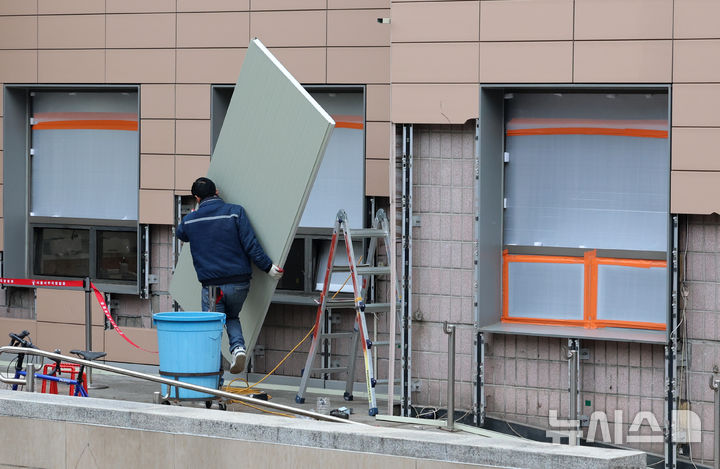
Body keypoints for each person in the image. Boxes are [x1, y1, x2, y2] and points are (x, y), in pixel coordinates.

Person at [176, 177, 283, 374]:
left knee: (212, 329)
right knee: (232, 316)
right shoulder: (235, 212)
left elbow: (180, 233)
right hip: (239, 283)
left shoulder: (191, 221)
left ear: (197, 197)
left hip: (212, 287)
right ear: (216, 191)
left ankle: (211, 374)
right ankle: (238, 348)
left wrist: (193, 213)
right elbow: (251, 244)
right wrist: (269, 268)